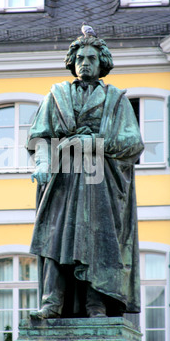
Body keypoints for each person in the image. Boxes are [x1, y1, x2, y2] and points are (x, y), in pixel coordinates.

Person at [27, 31, 144, 319]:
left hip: (99, 182)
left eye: (91, 58)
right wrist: (42, 164)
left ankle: (96, 306)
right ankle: (50, 303)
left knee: (97, 240)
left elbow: (133, 143)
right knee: (54, 238)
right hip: (63, 179)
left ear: (102, 62)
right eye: (79, 58)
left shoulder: (116, 100)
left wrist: (92, 143)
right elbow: (39, 138)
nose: (85, 63)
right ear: (72, 62)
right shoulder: (55, 96)